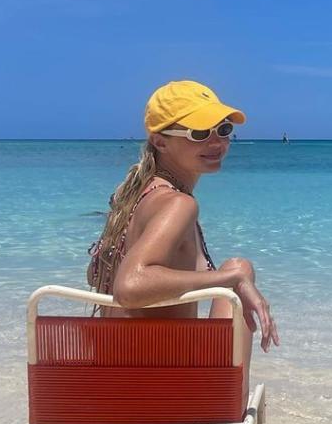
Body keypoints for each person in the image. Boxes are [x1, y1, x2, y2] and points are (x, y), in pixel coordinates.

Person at [87, 80, 279, 349]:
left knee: (238, 266)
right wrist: (231, 280)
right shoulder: (177, 204)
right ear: (160, 142)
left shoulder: (134, 195)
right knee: (239, 272)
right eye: (199, 133)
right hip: (165, 375)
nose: (217, 143)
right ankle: (234, 392)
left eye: (223, 130)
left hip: (113, 365)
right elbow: (130, 285)